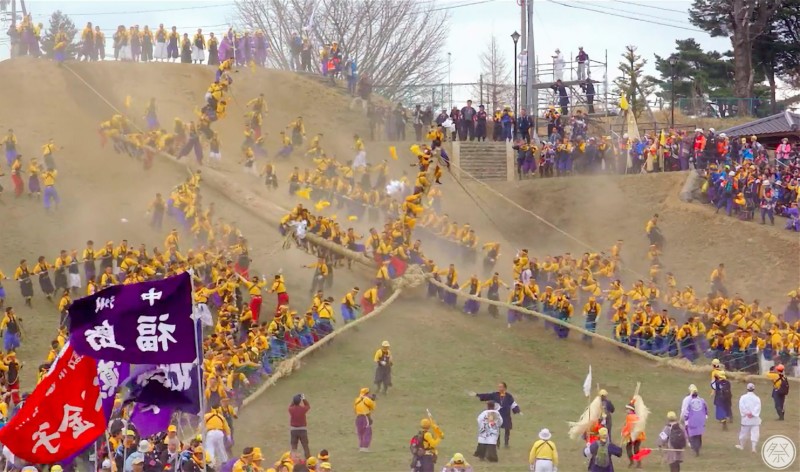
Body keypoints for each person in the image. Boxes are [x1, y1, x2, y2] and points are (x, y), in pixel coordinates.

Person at [471, 382, 521, 448]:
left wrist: (518, 410)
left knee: (507, 429)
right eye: (499, 387)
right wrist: (477, 395)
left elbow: (513, 404)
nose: (500, 388)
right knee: (497, 429)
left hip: (506, 414)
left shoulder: (509, 396)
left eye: (501, 387)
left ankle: (506, 444)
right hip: (497, 414)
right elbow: (487, 396)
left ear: (505, 388)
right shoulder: (495, 395)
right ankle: (497, 444)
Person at [681, 385, 707, 456]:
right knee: (698, 434)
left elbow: (685, 411)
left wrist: (684, 418)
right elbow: (705, 408)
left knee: (692, 435)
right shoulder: (702, 400)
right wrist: (705, 416)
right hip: (700, 420)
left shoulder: (689, 401)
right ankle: (698, 446)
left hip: (691, 420)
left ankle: (695, 448)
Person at [736, 383, 761, 453]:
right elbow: (758, 407)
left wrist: (747, 413)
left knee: (743, 433)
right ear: (754, 389)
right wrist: (753, 414)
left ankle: (742, 446)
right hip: (755, 419)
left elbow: (742, 406)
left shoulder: (743, 397)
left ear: (747, 388)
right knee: (755, 433)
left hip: (746, 418)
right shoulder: (757, 398)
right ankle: (753, 447)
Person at [289, 393, 311, 458]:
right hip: (302, 430)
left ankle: (293, 459)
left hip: (293, 430)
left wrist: (294, 399)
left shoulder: (291, 409)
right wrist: (303, 398)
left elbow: (290, 405)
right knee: (305, 446)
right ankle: (308, 459)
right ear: (299, 402)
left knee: (294, 447)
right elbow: (308, 405)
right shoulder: (303, 409)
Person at [353, 387, 375, 452]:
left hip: (358, 417)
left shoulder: (357, 400)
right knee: (367, 431)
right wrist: (373, 400)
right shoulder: (366, 399)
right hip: (365, 417)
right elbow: (373, 407)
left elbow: (354, 409)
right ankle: (365, 447)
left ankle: (361, 446)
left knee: (360, 432)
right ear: (367, 393)